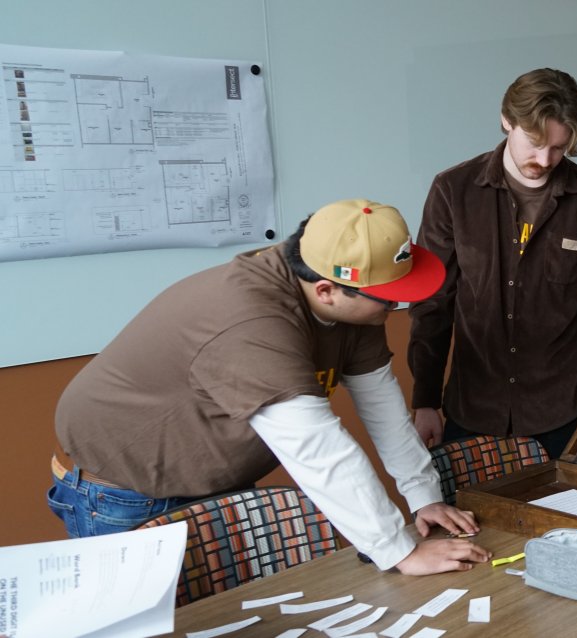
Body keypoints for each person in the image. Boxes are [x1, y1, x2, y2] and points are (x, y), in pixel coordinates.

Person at [50, 199, 491, 575]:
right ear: (326, 291)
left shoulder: (353, 302)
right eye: (389, 297)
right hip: (128, 492)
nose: (398, 304)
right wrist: (400, 551)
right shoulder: (252, 320)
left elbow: (384, 407)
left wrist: (423, 499)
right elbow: (317, 449)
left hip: (214, 480)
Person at [409, 68, 577, 459]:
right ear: (507, 120)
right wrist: (425, 399)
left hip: (565, 412)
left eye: (558, 148)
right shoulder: (452, 191)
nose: (544, 160)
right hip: (473, 407)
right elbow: (433, 302)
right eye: (535, 143)